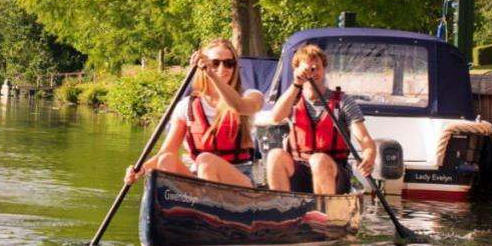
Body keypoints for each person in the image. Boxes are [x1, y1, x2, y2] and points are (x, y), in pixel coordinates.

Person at [123, 39, 265, 188]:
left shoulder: (251, 95)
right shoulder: (186, 106)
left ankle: (207, 206)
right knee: (166, 159)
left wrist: (212, 74)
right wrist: (140, 170)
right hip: (199, 178)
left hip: (239, 180)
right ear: (202, 66)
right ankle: (178, 206)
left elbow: (239, 106)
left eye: (229, 63)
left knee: (206, 160)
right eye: (215, 63)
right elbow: (167, 151)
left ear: (235, 67)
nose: (222, 69)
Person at [264, 44, 377, 194]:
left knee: (318, 160)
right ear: (297, 71)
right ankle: (281, 209)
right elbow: (275, 117)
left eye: (317, 68)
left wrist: (368, 157)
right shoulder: (292, 99)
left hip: (333, 171)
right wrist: (297, 83)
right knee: (275, 155)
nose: (313, 73)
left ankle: (322, 212)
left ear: (324, 70)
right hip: (300, 170)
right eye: (307, 68)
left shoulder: (343, 102)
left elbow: (364, 139)